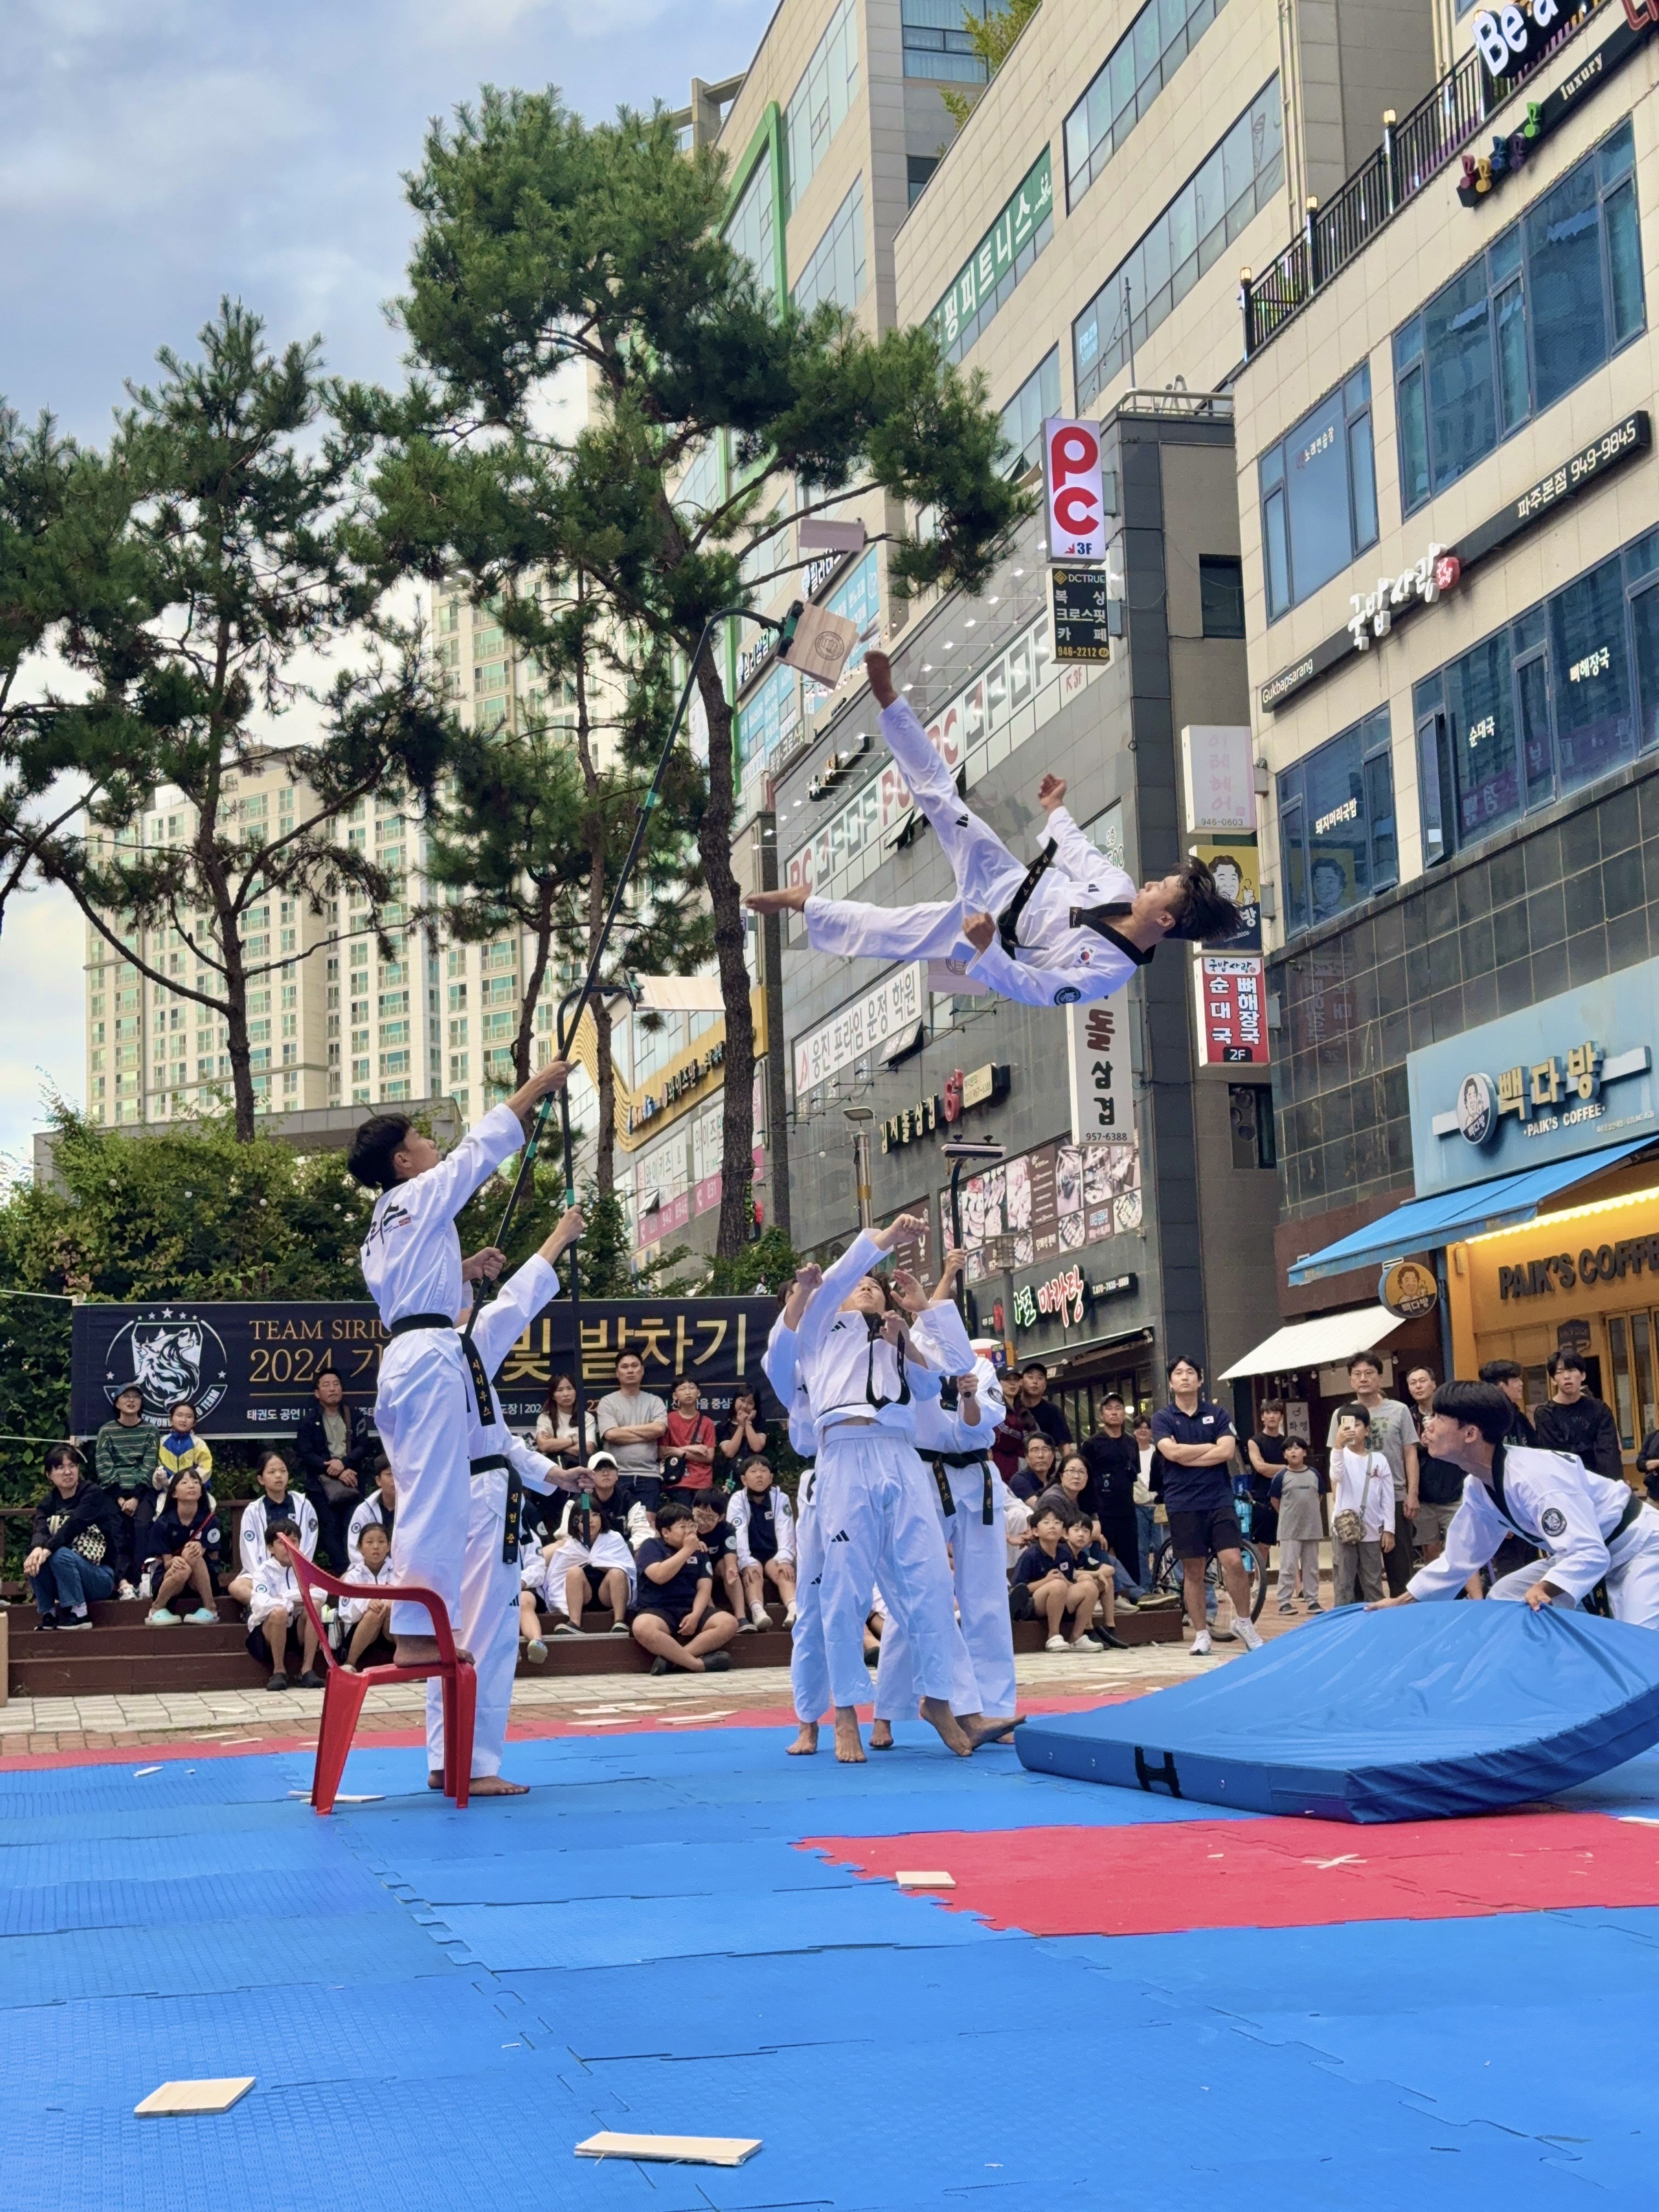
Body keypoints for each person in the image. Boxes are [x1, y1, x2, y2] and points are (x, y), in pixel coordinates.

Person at [743, 650, 1241, 1009]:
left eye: (1163, 889)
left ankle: (803, 904)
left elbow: (1033, 988)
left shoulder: (1108, 972)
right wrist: (1055, 808)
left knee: (892, 932)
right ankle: (890, 702)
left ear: (1168, 921)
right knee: (942, 799)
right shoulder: (1118, 888)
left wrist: (985, 948)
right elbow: (1077, 849)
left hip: (990, 930)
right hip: (1002, 876)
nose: (1151, 883)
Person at [349, 1053, 571, 1668]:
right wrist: (536, 1089)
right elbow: (478, 1152)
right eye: (420, 1141)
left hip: (404, 1357)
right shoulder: (419, 1195)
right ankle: (417, 1629)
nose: (429, 1149)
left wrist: (463, 1270)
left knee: (426, 1488)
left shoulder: (379, 1225)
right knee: (437, 1495)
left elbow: (411, 1288)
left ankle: (418, 1622)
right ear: (402, 1161)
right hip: (427, 1358)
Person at [792, 1216, 995, 1762]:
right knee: (846, 1590)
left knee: (931, 1581)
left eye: (875, 1285)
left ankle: (939, 1700)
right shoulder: (818, 1330)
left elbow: (954, 1371)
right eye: (860, 1282)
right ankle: (845, 1713)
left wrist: (912, 1325)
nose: (866, 1287)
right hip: (845, 1455)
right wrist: (882, 1242)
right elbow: (835, 1281)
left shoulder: (897, 1340)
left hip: (901, 1458)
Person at [424, 1207, 585, 1796]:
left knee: (452, 1633)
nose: (474, 1298)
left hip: (448, 1498)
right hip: (477, 1503)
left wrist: (552, 1474)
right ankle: (477, 1766)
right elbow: (515, 1303)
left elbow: (495, 1441)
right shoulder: (458, 1346)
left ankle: (447, 1759)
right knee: (486, 1635)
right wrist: (559, 1237)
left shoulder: (416, 1361)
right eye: (463, 1289)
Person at [1374, 1379, 1659, 1625]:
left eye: (1438, 1418)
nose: (1428, 1425)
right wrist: (1403, 1601)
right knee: (1504, 1598)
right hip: (1585, 1553)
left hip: (1640, 1548)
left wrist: (1544, 1586)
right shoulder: (1478, 1485)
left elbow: (1589, 1553)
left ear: (1471, 1434)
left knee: (1641, 1640)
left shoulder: (1535, 1478)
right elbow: (1458, 1559)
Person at [1152, 1357, 1263, 1656]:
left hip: (1218, 1500)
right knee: (1194, 1570)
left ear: (1200, 1381)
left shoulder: (1217, 1413)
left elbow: (1226, 1452)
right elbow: (1170, 1453)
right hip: (1182, 1502)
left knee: (1233, 1562)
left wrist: (1187, 1455)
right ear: (1171, 1382)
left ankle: (1243, 1622)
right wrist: (1207, 1449)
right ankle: (1202, 1634)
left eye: (1191, 1372)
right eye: (1179, 1373)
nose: (1185, 1377)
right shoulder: (1163, 1418)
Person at [1328, 1354, 1418, 1598]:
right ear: (1350, 1380)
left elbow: (1410, 1453)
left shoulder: (1399, 1410)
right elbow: (1336, 1462)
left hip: (1395, 1498)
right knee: (1356, 1576)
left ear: (1380, 1377)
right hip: (1354, 1507)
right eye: (1357, 1374)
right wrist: (1339, 1504)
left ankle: (1402, 1620)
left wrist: (1412, 1494)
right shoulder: (1342, 1414)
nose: (1363, 1379)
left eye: (1369, 1373)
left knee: (1400, 1568)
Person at [630, 1499, 741, 1674]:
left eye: (692, 1526)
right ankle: (698, 1665)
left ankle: (672, 1661)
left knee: (728, 1623)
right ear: (666, 1532)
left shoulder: (700, 1551)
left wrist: (696, 1615)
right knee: (642, 1627)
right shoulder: (651, 1547)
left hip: (691, 1607)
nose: (690, 1531)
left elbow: (705, 1587)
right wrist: (687, 1550)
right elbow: (659, 1576)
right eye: (683, 1527)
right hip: (658, 1609)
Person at [25, 1445, 120, 1629]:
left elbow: (73, 1525)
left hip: (99, 1577)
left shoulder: (92, 1493)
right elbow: (40, 1528)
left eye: (73, 1466)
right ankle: (48, 1614)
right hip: (64, 1581)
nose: (68, 1472)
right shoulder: (48, 1502)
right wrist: (37, 1550)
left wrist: (48, 1550)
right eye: (60, 1468)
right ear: (49, 1475)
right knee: (34, 1558)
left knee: (59, 1554)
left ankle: (80, 1613)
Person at [294, 1369, 375, 1571]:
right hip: (321, 1484)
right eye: (327, 1385)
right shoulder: (309, 1420)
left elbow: (364, 1446)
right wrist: (335, 1468)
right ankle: (342, 1574)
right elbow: (306, 1453)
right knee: (329, 1528)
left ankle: (357, 1572)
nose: (333, 1389)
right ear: (317, 1393)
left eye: (336, 1384)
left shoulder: (354, 1416)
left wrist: (345, 1464)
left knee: (353, 1527)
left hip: (352, 1482)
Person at [94, 1385, 161, 1594]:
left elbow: (149, 1465)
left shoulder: (151, 1431)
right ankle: (123, 1584)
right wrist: (120, 1498)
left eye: (136, 1397)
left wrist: (134, 1498)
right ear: (117, 1403)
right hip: (113, 1493)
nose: (131, 1401)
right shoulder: (106, 1431)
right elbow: (104, 1466)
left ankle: (143, 1579)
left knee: (142, 1527)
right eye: (126, 1397)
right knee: (116, 1530)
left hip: (143, 1492)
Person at [228, 1451, 319, 1607]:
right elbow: (249, 1550)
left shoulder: (303, 1505)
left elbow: (309, 1543)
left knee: (319, 1587)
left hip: (296, 1569)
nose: (279, 1476)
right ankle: (277, 1604)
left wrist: (296, 1567)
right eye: (272, 1472)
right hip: (264, 1571)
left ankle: (271, 1604)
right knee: (237, 1587)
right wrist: (265, 1574)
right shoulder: (253, 1510)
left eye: (283, 1471)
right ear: (261, 1479)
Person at [1010, 1500, 1102, 1651]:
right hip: (1032, 1605)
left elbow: (1071, 1582)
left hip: (1061, 1600)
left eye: (1057, 1522)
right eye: (1046, 1523)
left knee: (1089, 1586)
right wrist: (1047, 1581)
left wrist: (1065, 1581)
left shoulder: (1065, 1554)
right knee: (1057, 1585)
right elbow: (1018, 1590)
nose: (1053, 1526)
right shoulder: (1030, 1556)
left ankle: (1077, 1637)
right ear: (1035, 1531)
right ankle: (1053, 1636)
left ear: (1063, 1532)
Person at [1328, 1402, 1393, 1606]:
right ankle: (1342, 1624)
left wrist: (1389, 1529)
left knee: (1373, 1581)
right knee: (1344, 1581)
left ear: (1367, 1430)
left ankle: (1377, 1623)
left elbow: (1388, 1496)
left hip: (1372, 1529)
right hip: (1344, 1529)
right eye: (1347, 1425)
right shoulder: (1340, 1455)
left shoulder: (1379, 1460)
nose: (1352, 1430)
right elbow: (1336, 1475)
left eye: (1357, 1425)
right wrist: (1337, 1446)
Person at [144, 1468, 224, 1626]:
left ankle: (210, 1608)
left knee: (191, 1552)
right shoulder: (163, 1523)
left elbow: (215, 1557)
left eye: (196, 1482)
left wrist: (202, 1548)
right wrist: (175, 1562)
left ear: (202, 1492)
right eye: (185, 1482)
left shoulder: (210, 1520)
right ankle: (157, 1609)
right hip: (172, 1579)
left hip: (202, 1579)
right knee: (183, 1568)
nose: (192, 1486)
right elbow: (166, 1562)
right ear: (174, 1493)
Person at [249, 1521, 323, 1689]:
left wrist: (285, 1597)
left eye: (294, 1541)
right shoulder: (263, 1571)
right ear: (271, 1548)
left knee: (316, 1605)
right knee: (279, 1613)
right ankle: (279, 1671)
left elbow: (321, 1593)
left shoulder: (306, 1567)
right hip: (267, 1634)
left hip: (296, 1630)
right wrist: (294, 1602)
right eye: (282, 1542)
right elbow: (260, 1605)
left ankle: (307, 1670)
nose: (289, 1546)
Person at [1404, 1363, 1466, 1562]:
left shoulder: (1450, 1412)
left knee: (1460, 1546)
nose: (1418, 1386)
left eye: (1423, 1381)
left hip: (1454, 1491)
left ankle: (1468, 1592)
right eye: (1413, 1383)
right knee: (1430, 1550)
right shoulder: (1407, 1416)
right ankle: (1439, 1593)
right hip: (1424, 1497)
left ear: (1434, 1384)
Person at [727, 1457, 797, 1629]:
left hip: (774, 1554)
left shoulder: (781, 1498)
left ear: (771, 1478)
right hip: (749, 1554)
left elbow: (786, 1531)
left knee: (783, 1571)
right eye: (753, 1472)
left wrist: (784, 1560)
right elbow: (738, 1534)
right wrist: (746, 1561)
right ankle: (758, 1612)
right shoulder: (737, 1500)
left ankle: (794, 1610)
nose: (759, 1476)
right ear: (744, 1479)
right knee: (753, 1571)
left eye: (764, 1471)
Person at [595, 1351, 669, 1511]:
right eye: (625, 1367)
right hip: (617, 1475)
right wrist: (646, 1433)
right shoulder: (607, 1402)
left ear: (642, 1371)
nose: (630, 1371)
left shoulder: (655, 1401)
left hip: (649, 1475)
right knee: (617, 1524)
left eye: (635, 1366)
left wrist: (624, 1430)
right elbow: (611, 1435)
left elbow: (659, 1429)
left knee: (648, 1526)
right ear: (617, 1373)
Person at [1533, 1349, 1624, 1482]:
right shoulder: (1546, 1414)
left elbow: (1609, 1452)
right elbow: (1556, 1455)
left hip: (1601, 1483)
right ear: (1553, 1380)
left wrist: (1612, 1485)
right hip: (1567, 1484)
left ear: (1583, 1376)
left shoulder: (1600, 1409)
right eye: (1560, 1372)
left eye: (1571, 1370)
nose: (1567, 1376)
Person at [1080, 1393, 1141, 1583]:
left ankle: (1137, 1600)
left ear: (1124, 1414)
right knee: (1104, 1560)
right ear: (1101, 1415)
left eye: (1118, 1408)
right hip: (1103, 1513)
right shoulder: (1091, 1445)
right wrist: (1091, 1514)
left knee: (1131, 1561)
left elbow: (1134, 1474)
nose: (1114, 1412)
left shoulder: (1132, 1443)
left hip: (1128, 1512)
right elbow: (1085, 1479)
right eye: (1109, 1408)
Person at [1271, 1436, 1324, 1612]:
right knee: (1288, 1567)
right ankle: (1284, 1602)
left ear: (1305, 1452)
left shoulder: (1315, 1474)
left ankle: (1312, 1600)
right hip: (1289, 1530)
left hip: (1312, 1528)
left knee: (1312, 1567)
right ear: (1285, 1455)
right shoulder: (1281, 1476)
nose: (1293, 1452)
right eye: (1289, 1449)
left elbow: (1320, 1497)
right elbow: (1275, 1500)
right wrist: (1288, 1516)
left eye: (1297, 1448)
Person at [340, 1521, 396, 1669]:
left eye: (381, 1542)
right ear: (360, 1548)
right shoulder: (352, 1576)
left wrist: (390, 1603)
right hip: (361, 1631)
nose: (376, 1547)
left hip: (390, 1631)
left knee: (394, 1609)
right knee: (372, 1614)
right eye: (370, 1542)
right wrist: (367, 1604)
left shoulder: (398, 1572)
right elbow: (346, 1613)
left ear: (389, 1546)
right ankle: (350, 1663)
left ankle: (407, 1663)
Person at [661, 1378, 719, 1499]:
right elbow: (662, 1452)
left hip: (703, 1482)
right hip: (677, 1480)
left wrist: (679, 1451)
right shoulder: (668, 1419)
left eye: (692, 1388)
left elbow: (709, 1457)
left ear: (698, 1393)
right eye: (682, 1389)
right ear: (675, 1396)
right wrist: (694, 1448)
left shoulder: (707, 1423)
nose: (688, 1392)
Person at [693, 1492, 746, 1623]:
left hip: (715, 1568)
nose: (702, 1522)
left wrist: (732, 1568)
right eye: (699, 1515)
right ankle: (712, 1613)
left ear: (721, 1517)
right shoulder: (686, 1523)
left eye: (710, 1518)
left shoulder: (727, 1529)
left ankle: (741, 1617)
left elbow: (730, 1555)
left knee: (729, 1568)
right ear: (693, 1509)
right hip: (694, 1570)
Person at [1245, 1401, 1288, 1554]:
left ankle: (1294, 1579)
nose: (1272, 1416)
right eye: (1268, 1413)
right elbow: (1261, 1468)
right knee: (1263, 1545)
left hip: (1286, 1495)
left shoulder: (1287, 1443)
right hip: (1263, 1496)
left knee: (1290, 1542)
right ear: (1262, 1417)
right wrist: (1286, 1468)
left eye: (1276, 1413)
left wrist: (1280, 1469)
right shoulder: (1255, 1441)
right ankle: (1260, 1579)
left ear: (1281, 1417)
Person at [533, 1373, 593, 1470]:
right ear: (553, 1396)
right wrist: (574, 1440)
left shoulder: (586, 1417)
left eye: (570, 1389)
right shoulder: (545, 1417)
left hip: (580, 1468)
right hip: (554, 1470)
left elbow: (588, 1448)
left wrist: (554, 1445)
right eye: (560, 1390)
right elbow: (544, 1445)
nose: (566, 1394)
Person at [347, 1462, 398, 1572]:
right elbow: (354, 1548)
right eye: (389, 1475)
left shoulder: (413, 1510)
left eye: (398, 1474)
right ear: (378, 1481)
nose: (395, 1480)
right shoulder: (364, 1510)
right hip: (367, 1569)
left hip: (402, 1571)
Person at [156, 1400, 213, 1493]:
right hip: (166, 1492)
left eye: (189, 1417)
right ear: (171, 1420)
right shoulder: (162, 1442)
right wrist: (164, 1480)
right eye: (179, 1415)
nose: (183, 1420)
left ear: (194, 1423)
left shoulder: (199, 1444)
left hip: (193, 1492)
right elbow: (157, 1467)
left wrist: (188, 1484)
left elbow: (205, 1469)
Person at [1132, 1414, 1163, 1582]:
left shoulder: (1157, 1452)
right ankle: (1145, 1585)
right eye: (1139, 1427)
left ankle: (1158, 1580)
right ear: (1134, 1431)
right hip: (1138, 1506)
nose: (1143, 1430)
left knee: (1161, 1547)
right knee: (1141, 1549)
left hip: (1157, 1506)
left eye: (1147, 1427)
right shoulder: (1129, 1452)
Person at [1014, 1362, 1071, 1449]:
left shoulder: (1053, 1412)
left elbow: (1064, 1445)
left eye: (1040, 1378)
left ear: (1045, 1385)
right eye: (1030, 1377)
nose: (1035, 1382)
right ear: (1021, 1382)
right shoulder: (1011, 1408)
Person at [1479, 1358, 1536, 1437]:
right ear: (1500, 1385)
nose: (1521, 1383)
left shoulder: (1518, 1416)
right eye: (1516, 1380)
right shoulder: (1486, 1419)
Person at [720, 1389, 769, 1466]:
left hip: (756, 1470)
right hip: (732, 1473)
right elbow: (730, 1453)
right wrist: (741, 1426)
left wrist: (748, 1423)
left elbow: (757, 1447)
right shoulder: (724, 1425)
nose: (745, 1406)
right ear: (735, 1400)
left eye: (750, 1403)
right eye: (742, 1400)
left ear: (755, 1407)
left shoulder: (760, 1423)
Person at [1011, 1430, 1059, 1503]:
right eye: (1035, 1450)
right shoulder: (1019, 1480)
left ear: (1053, 1456)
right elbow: (1038, 1507)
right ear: (1027, 1457)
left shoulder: (1054, 1481)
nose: (1041, 1455)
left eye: (1045, 1450)